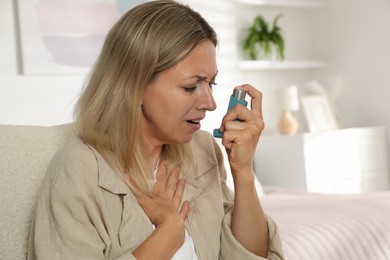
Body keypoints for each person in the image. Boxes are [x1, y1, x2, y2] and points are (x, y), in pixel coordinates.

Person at [28, 1, 284, 259]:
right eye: (190, 87)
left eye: (211, 83)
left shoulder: (202, 150)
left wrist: (243, 172)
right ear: (134, 85)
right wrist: (168, 232)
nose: (210, 103)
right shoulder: (78, 171)